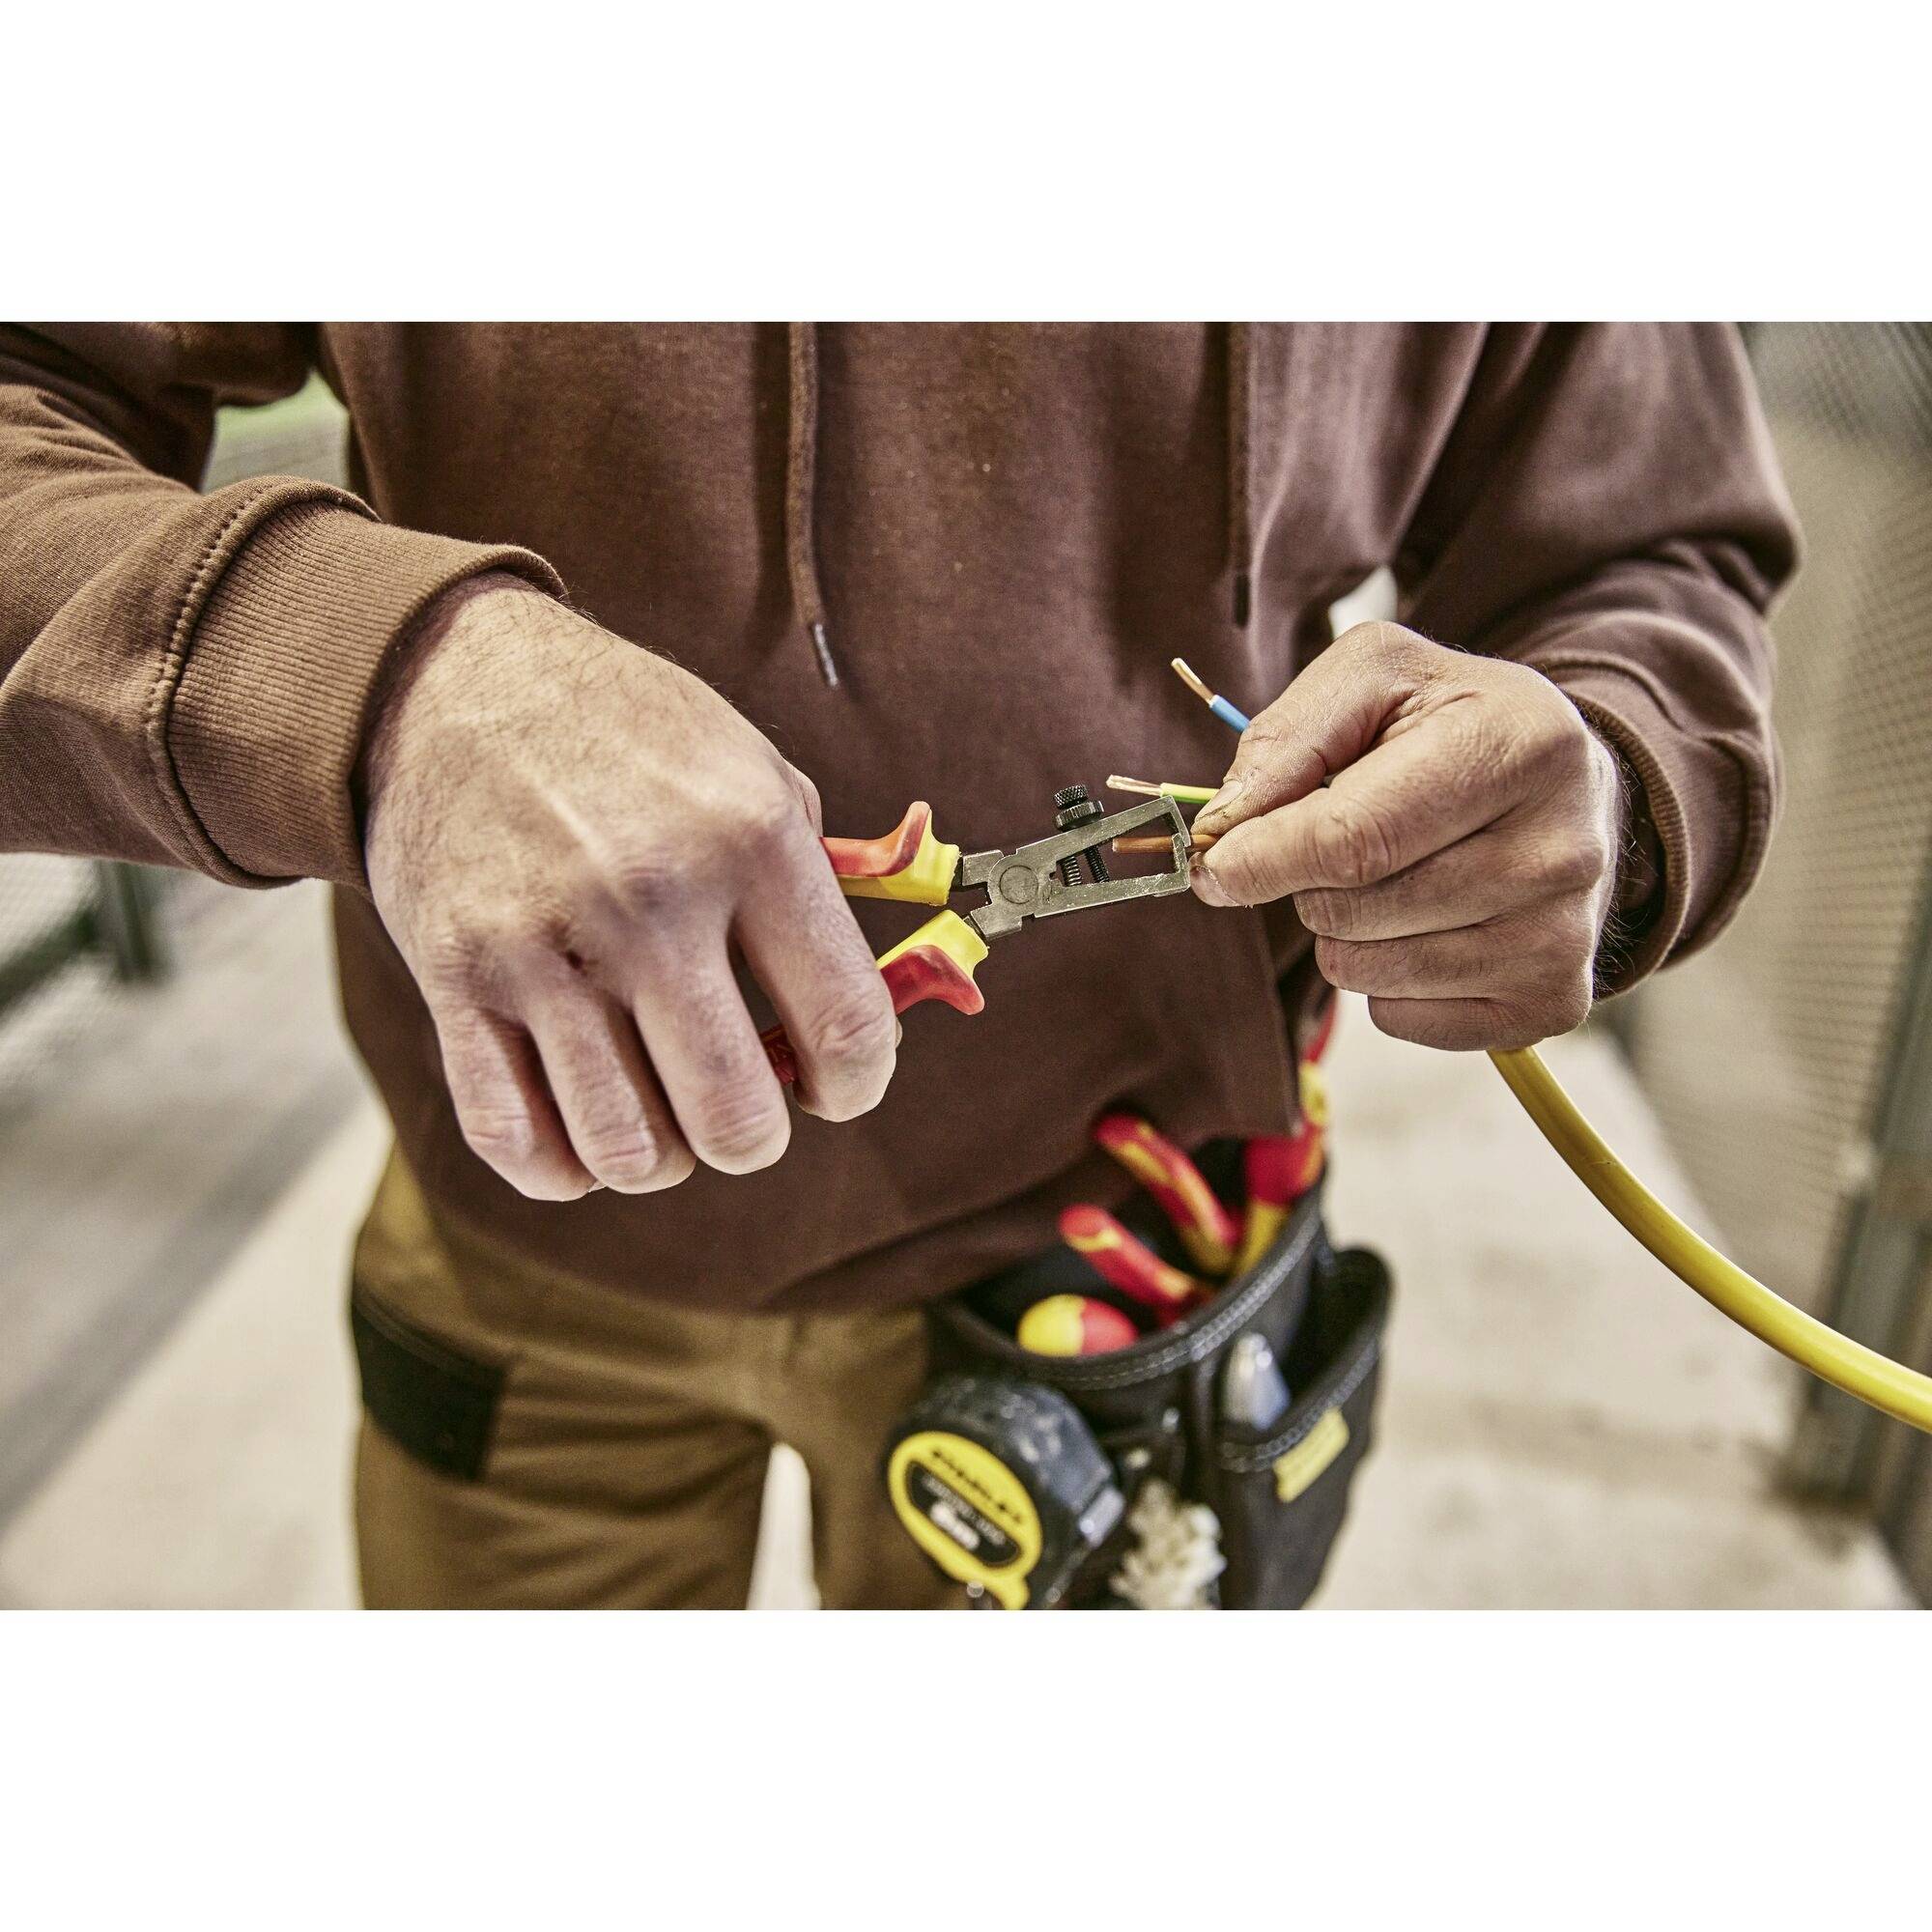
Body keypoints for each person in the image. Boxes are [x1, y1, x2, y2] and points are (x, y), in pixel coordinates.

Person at [0, 325, 1794, 1606]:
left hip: (1120, 1270)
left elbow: (1652, 550)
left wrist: (1616, 778)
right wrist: (372, 676)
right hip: (522, 1238)